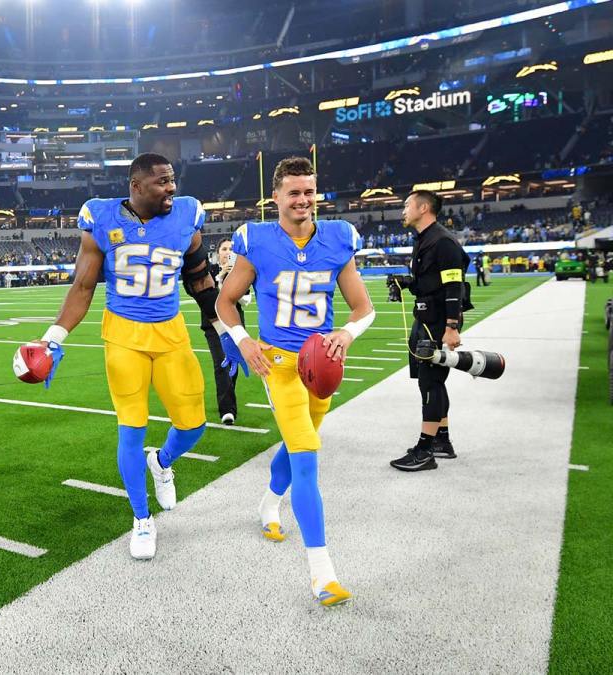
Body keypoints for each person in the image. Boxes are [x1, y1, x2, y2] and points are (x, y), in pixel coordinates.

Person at [34, 152, 216, 561]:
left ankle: (163, 462)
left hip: (171, 333)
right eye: (162, 181)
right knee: (131, 429)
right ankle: (141, 518)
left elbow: (199, 276)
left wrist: (226, 330)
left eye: (172, 179)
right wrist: (54, 338)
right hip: (123, 335)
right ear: (136, 186)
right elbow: (83, 286)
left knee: (193, 425)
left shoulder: (187, 214)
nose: (172, 188)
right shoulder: (101, 218)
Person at [216, 156, 375, 607]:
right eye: (294, 193)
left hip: (321, 365)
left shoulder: (338, 238)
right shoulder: (257, 240)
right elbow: (225, 303)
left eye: (309, 192)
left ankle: (268, 503)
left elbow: (363, 308)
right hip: (279, 365)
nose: (303, 200)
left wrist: (346, 333)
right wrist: (244, 340)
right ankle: (323, 574)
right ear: (276, 197)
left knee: (295, 443)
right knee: (306, 455)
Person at [387, 190, 471, 472]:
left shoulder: (442, 241)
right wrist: (406, 282)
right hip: (425, 318)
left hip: (438, 322)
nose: (403, 210)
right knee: (432, 382)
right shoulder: (424, 239)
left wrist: (451, 327)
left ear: (423, 208)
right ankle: (441, 441)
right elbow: (429, 281)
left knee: (431, 383)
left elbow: (454, 286)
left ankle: (424, 451)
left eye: (407, 205)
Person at [197, 238, 251, 425]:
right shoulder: (209, 271)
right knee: (221, 363)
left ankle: (227, 397)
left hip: (234, 324)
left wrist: (231, 279)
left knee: (234, 364)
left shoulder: (239, 271)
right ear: (217, 252)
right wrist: (220, 277)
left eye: (231, 249)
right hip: (213, 324)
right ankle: (227, 410)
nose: (227, 252)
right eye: (224, 249)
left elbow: (246, 301)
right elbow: (207, 296)